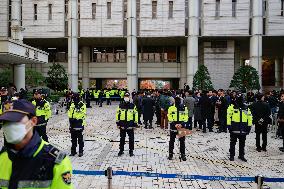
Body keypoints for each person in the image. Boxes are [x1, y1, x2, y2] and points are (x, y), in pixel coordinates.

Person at [0, 99, 73, 189]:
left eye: (15, 120)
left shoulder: (56, 162)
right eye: (6, 121)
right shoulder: (2, 156)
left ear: (33, 121)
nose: (9, 126)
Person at [227, 96, 252, 162]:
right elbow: (228, 116)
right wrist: (229, 125)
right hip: (234, 128)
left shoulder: (246, 108)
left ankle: (241, 155)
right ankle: (232, 155)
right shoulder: (232, 107)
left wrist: (249, 126)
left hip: (243, 128)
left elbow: (249, 117)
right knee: (233, 143)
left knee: (242, 143)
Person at [116, 92, 138, 157]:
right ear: (123, 97)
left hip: (130, 125)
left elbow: (135, 115)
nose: (126, 97)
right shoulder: (120, 105)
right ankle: (121, 150)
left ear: (129, 97)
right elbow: (118, 114)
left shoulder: (133, 105)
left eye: (127, 96)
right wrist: (118, 123)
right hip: (122, 124)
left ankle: (131, 151)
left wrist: (135, 124)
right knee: (122, 138)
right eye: (125, 96)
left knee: (131, 139)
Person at [167, 96, 189, 161]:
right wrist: (175, 124)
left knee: (182, 141)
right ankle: (170, 154)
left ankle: (183, 154)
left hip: (181, 126)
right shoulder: (171, 108)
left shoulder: (184, 107)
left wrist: (181, 124)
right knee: (172, 141)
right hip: (173, 126)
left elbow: (186, 117)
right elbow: (169, 117)